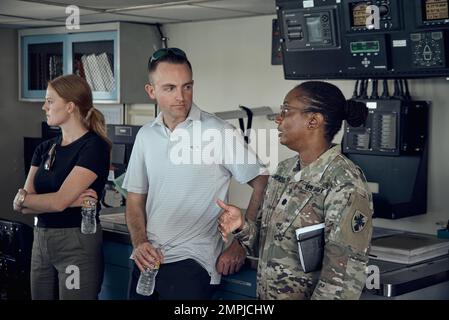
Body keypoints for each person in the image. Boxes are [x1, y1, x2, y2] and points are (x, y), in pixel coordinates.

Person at [122, 47, 268, 300]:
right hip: (147, 261)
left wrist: (241, 243)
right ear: (151, 91)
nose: (181, 96)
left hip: (193, 263)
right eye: (169, 88)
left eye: (187, 87)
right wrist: (140, 242)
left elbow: (262, 180)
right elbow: (135, 200)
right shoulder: (146, 135)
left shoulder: (218, 131)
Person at [218, 81, 373, 300]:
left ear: (313, 120)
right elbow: (265, 241)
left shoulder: (343, 182)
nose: (278, 119)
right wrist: (241, 226)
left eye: (286, 111)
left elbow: (342, 281)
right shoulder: (284, 170)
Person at [13, 74, 111, 300]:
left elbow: (56, 202)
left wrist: (27, 199)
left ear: (70, 106)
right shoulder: (44, 148)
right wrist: (30, 201)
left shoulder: (93, 147)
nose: (44, 107)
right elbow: (24, 207)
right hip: (41, 241)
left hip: (75, 244)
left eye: (49, 101)